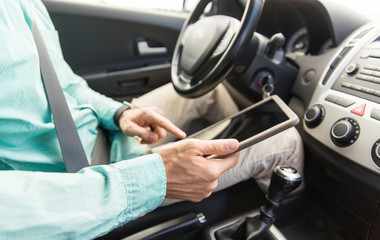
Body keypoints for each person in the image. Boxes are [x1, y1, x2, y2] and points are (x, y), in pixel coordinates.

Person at [0, 0, 304, 239]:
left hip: (99, 135)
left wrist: (119, 113)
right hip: (77, 185)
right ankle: (297, 222)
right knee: (284, 142)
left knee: (209, 93)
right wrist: (154, 180)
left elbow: (65, 84)